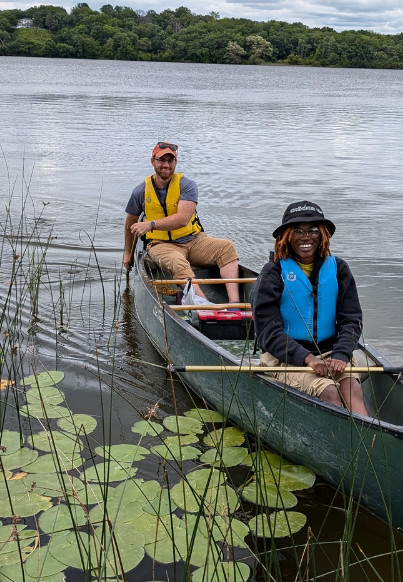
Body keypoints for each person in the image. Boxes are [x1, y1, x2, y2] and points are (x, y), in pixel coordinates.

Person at [252, 200, 370, 416]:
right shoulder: (272, 274)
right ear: (286, 236)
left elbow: (351, 320)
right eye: (297, 231)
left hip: (332, 353)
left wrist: (341, 355)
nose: (306, 237)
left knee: (352, 389)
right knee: (329, 391)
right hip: (285, 358)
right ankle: (340, 443)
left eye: (313, 230)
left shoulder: (339, 269)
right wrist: (308, 359)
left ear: (323, 234)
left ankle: (368, 443)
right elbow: (267, 333)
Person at [122, 142, 241, 305]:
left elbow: (183, 219)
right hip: (160, 244)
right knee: (178, 263)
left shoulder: (187, 185)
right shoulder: (140, 191)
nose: (166, 165)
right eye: (161, 160)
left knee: (226, 247)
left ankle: (235, 305)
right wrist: (127, 254)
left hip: (193, 241)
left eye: (170, 161)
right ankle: (205, 307)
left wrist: (150, 225)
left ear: (175, 163)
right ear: (152, 161)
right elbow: (131, 221)